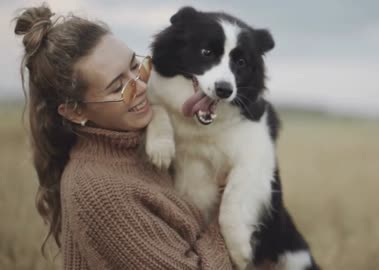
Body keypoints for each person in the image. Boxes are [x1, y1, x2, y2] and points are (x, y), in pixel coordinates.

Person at [13, 4, 233, 269]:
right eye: (119, 86)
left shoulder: (153, 139)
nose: (141, 86)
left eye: (137, 66)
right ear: (74, 111)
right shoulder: (100, 192)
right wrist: (224, 202)